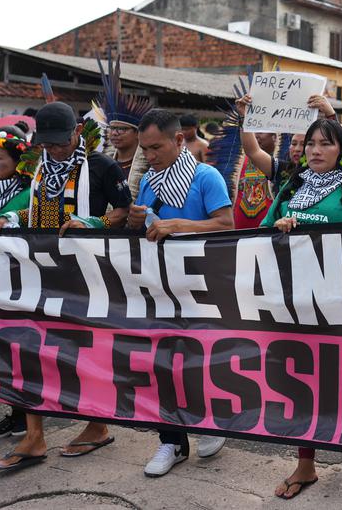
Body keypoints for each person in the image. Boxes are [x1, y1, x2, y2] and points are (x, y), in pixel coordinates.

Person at [0, 102, 131, 469]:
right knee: (30, 349)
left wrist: (94, 223)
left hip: (90, 275)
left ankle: (97, 425)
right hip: (43, 272)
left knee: (85, 352)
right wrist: (10, 217)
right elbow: (40, 212)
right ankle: (34, 436)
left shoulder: (101, 166)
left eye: (59, 143)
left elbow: (125, 211)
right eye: (47, 145)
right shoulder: (42, 167)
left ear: (76, 134)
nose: (52, 150)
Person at [262, 118, 342, 500]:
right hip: (298, 305)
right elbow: (261, 236)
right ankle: (306, 464)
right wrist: (278, 228)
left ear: (341, 152)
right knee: (304, 382)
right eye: (311, 143)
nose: (315, 150)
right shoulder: (291, 187)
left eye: (325, 144)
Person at [118, 109, 235, 475]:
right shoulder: (151, 182)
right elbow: (150, 225)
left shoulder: (206, 176)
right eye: (145, 150)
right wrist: (138, 220)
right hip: (160, 284)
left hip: (203, 284)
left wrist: (179, 226)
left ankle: (212, 421)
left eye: (156, 148)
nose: (150, 157)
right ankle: (171, 441)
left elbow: (226, 224)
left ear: (179, 140)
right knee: (161, 363)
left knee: (202, 359)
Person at [0, 125, 35, 441]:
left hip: (19, 277)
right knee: (1, 350)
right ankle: (16, 413)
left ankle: (26, 417)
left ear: (17, 160)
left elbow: (42, 218)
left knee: (19, 348)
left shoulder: (30, 191)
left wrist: (11, 220)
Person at [231, 93, 330, 228]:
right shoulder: (282, 169)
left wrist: (329, 112)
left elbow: (338, 141)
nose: (297, 149)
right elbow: (253, 151)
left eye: (304, 143)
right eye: (294, 143)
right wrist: (243, 117)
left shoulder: (332, 176)